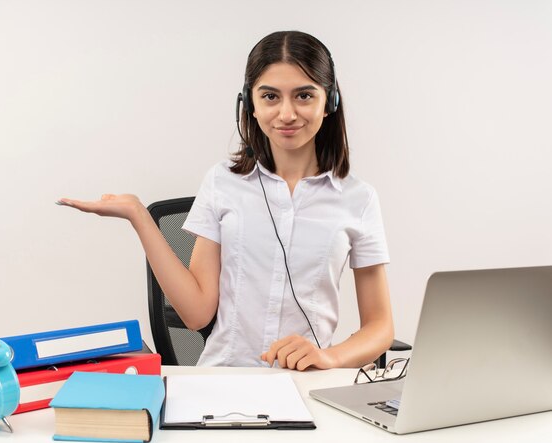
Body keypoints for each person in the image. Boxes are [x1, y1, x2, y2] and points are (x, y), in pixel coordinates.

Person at [58, 30, 394, 371]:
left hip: (306, 384)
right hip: (224, 379)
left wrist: (328, 357)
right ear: (249, 103)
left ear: (330, 102)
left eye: (304, 96)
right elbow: (196, 313)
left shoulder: (358, 199)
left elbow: (380, 326)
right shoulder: (223, 182)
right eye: (270, 97)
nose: (287, 113)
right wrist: (138, 216)